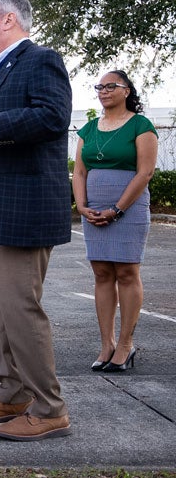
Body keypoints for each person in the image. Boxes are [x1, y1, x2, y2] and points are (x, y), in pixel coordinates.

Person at [0, 0, 73, 441]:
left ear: (8, 20)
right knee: (2, 312)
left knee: (21, 311)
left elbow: (52, 116)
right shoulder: (3, 69)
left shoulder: (40, 59)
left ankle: (49, 408)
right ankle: (12, 393)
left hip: (19, 214)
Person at [72, 70, 157, 373]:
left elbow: (145, 173)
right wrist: (82, 206)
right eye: (100, 86)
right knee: (102, 273)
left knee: (126, 272)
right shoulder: (89, 129)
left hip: (128, 209)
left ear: (127, 91)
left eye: (111, 86)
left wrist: (118, 209)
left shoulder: (141, 125)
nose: (104, 91)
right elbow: (80, 172)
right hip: (94, 209)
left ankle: (125, 345)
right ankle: (106, 344)